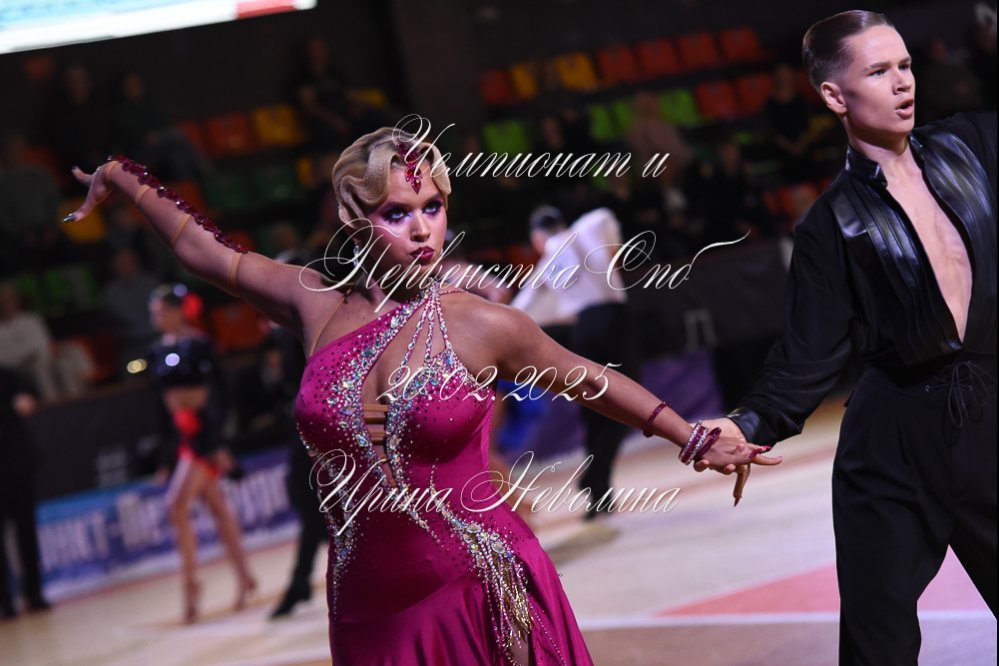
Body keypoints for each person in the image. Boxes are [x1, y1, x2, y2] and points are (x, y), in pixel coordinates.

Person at [65, 127, 777, 665]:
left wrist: (690, 435)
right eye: (396, 212)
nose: (421, 228)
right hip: (366, 605)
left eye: (432, 207)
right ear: (354, 217)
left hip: (481, 589)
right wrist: (123, 177)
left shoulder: (480, 324)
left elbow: (590, 379)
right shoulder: (314, 303)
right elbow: (205, 252)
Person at [700, 11, 996, 665]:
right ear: (835, 96)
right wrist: (745, 422)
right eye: (878, 71)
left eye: (905, 66)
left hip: (990, 420)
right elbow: (806, 356)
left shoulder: (977, 144)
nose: (902, 83)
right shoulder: (829, 224)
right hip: (892, 451)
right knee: (876, 646)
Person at [511, 205, 636, 520]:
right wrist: (612, 246)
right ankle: (595, 479)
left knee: (596, 410)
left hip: (584, 330)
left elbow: (522, 307)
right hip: (613, 321)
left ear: (537, 238)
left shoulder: (547, 260)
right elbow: (606, 215)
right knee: (629, 403)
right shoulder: (588, 227)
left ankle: (598, 489)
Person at [146, 284, 257, 623]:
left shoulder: (198, 344)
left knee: (176, 506)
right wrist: (166, 458)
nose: (157, 318)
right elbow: (162, 408)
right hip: (183, 438)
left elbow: (218, 396)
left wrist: (216, 443)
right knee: (218, 511)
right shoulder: (157, 350)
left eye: (162, 311)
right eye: (155, 313)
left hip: (203, 438)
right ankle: (244, 576)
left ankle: (191, 586)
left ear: (179, 311)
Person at [0, 366, 52, 619]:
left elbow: (31, 392)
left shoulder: (8, 375)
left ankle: (34, 593)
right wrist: (11, 408)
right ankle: (4, 601)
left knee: (26, 532)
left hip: (18, 464)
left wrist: (28, 399)